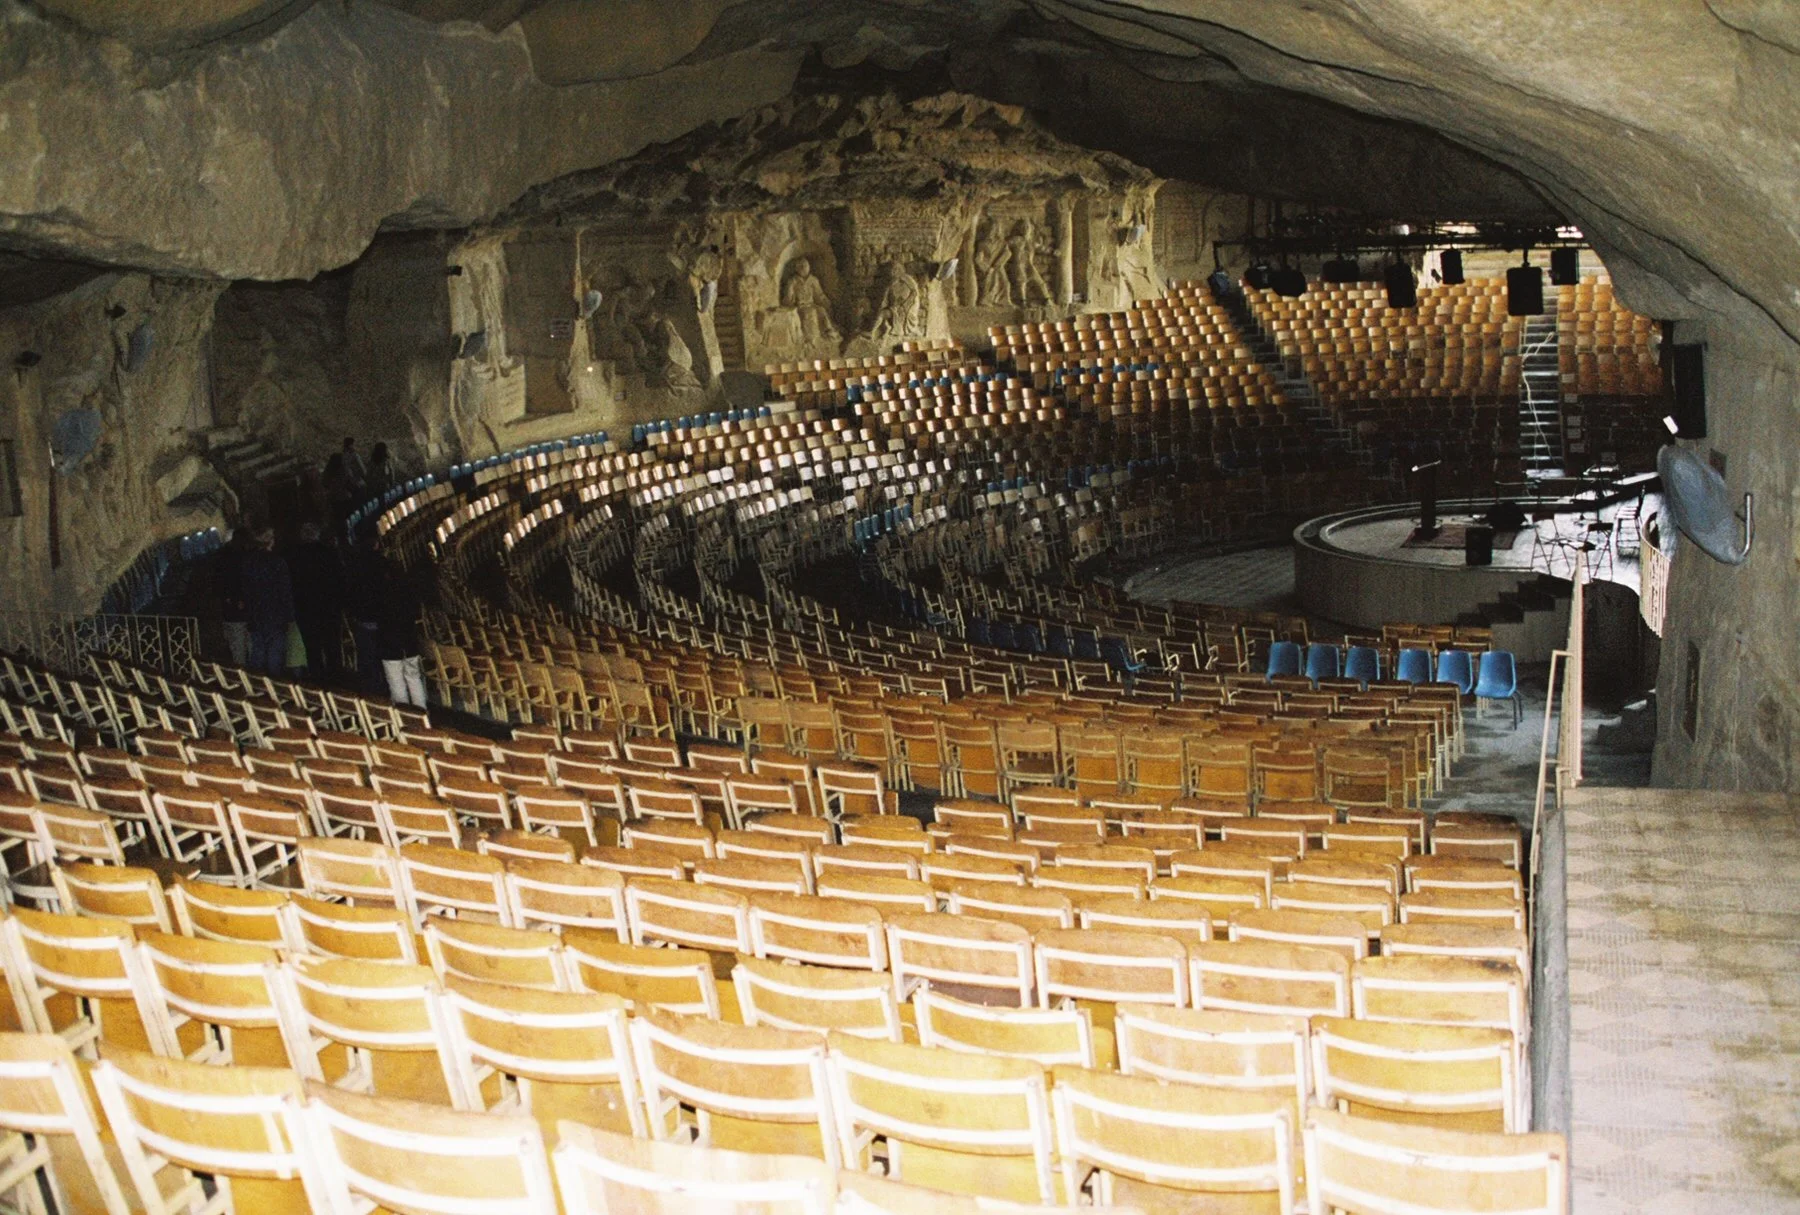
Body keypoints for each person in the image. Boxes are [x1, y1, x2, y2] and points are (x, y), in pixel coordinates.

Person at [288, 522, 346, 681]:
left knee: (312, 648)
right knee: (332, 646)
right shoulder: (329, 554)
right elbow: (340, 581)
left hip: (305, 609)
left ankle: (317, 681)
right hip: (329, 608)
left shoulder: (293, 557)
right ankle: (336, 680)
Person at [374, 548, 428, 708]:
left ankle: (405, 718)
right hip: (409, 642)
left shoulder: (382, 592)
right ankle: (422, 714)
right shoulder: (408, 590)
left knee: (396, 682)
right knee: (414, 678)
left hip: (389, 644)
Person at [240, 527, 294, 677]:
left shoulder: (248, 562)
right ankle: (274, 687)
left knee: (257, 651)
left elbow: (245, 590)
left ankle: (257, 686)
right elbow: (285, 591)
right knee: (275, 655)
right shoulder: (277, 562)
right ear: (271, 541)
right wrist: (289, 616)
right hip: (275, 615)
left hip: (256, 614)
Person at [213, 528, 251, 666]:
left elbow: (217, 583)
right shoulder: (243, 558)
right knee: (243, 644)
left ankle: (242, 674)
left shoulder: (221, 556)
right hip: (240, 609)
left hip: (229, 609)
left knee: (236, 646)